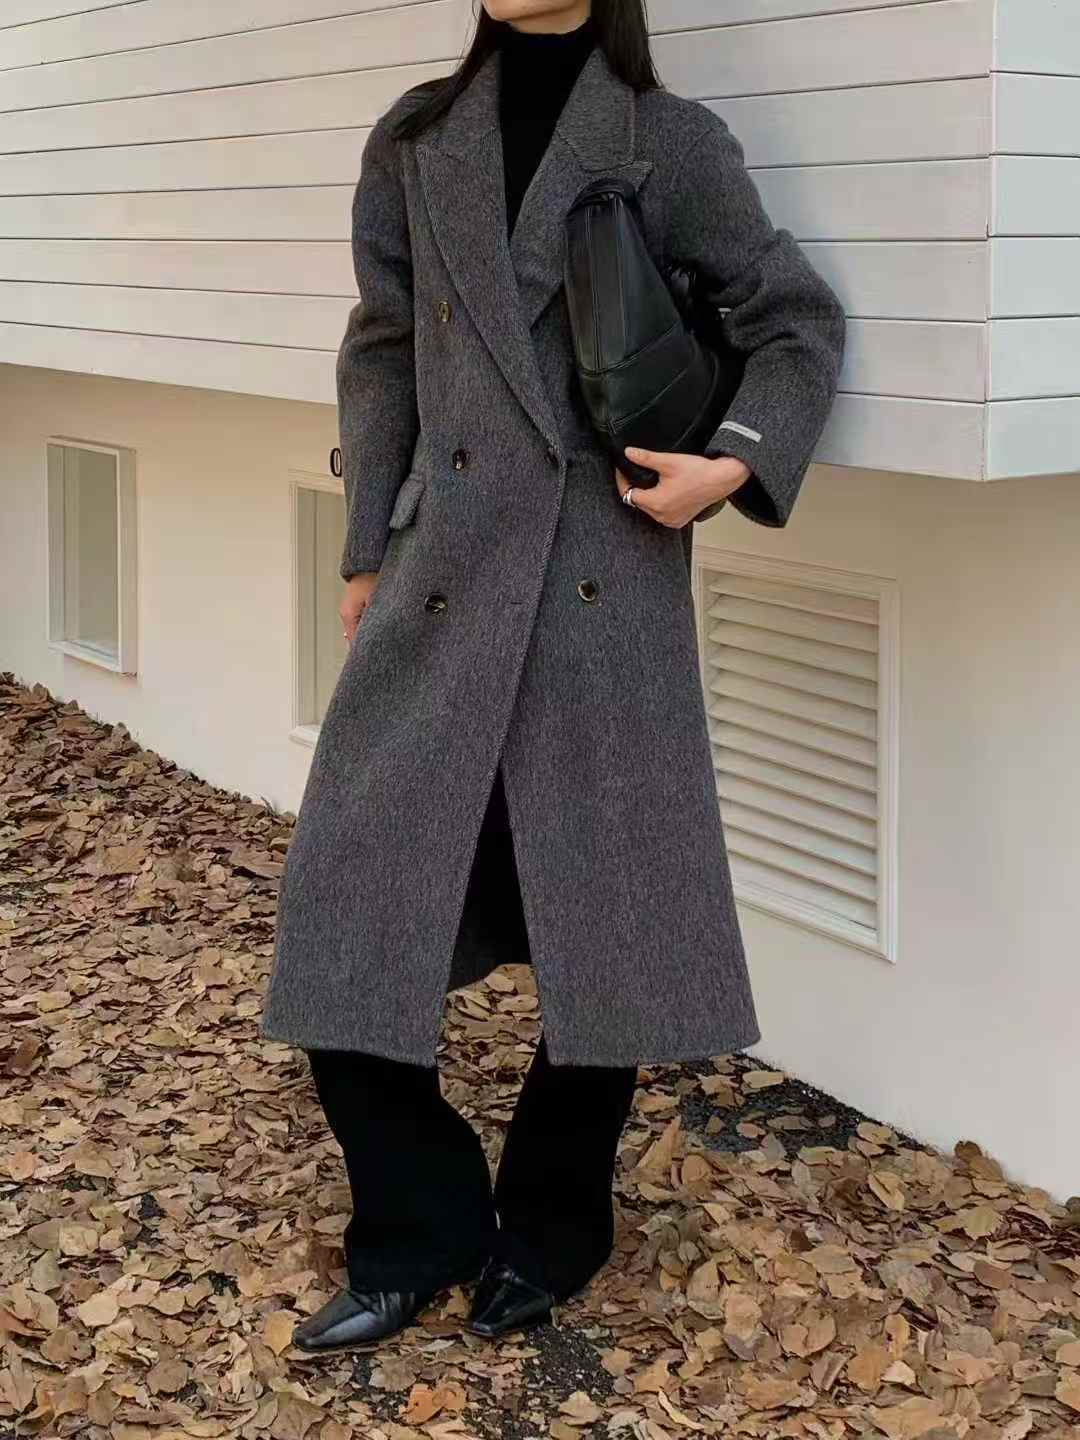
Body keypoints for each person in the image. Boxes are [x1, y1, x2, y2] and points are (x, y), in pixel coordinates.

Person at [259, 0, 846, 1353]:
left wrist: (731, 466)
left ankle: (555, 1225)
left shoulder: (666, 143)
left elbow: (794, 322)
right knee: (347, 898)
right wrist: (366, 544)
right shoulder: (415, 140)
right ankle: (418, 1223)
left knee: (608, 917)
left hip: (601, 572)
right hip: (443, 565)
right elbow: (383, 347)